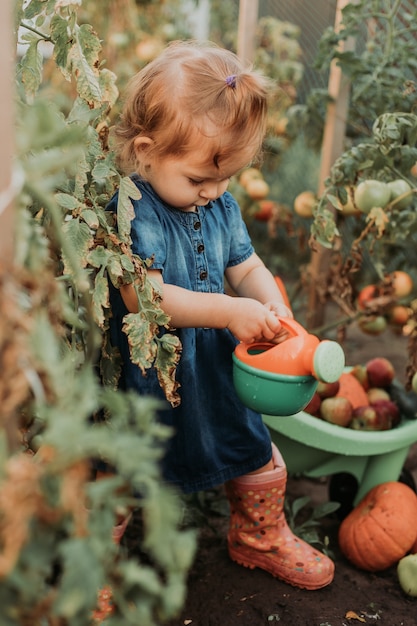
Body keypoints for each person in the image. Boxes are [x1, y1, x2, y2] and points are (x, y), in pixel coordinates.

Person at [107, 40, 334, 590]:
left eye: (226, 177)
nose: (212, 193)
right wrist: (228, 311)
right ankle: (99, 564)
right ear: (145, 151)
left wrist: (268, 301)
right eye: (198, 180)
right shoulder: (137, 208)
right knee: (120, 472)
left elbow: (245, 264)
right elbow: (146, 299)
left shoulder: (221, 205)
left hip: (215, 366)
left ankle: (258, 536)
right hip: (155, 373)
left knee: (251, 445)